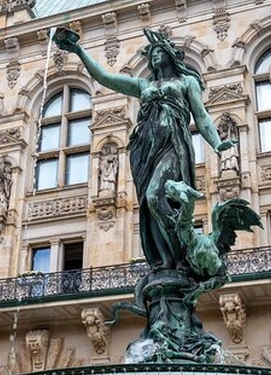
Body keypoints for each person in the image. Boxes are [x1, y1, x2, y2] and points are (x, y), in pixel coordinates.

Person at [55, 29, 235, 270]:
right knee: (149, 207)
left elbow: (201, 118)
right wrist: (79, 51)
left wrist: (216, 143)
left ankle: (181, 250)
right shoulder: (143, 85)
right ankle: (165, 259)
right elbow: (104, 78)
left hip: (173, 143)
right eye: (152, 54)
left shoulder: (186, 82)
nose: (155, 57)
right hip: (145, 147)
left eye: (160, 52)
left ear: (170, 55)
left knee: (155, 195)